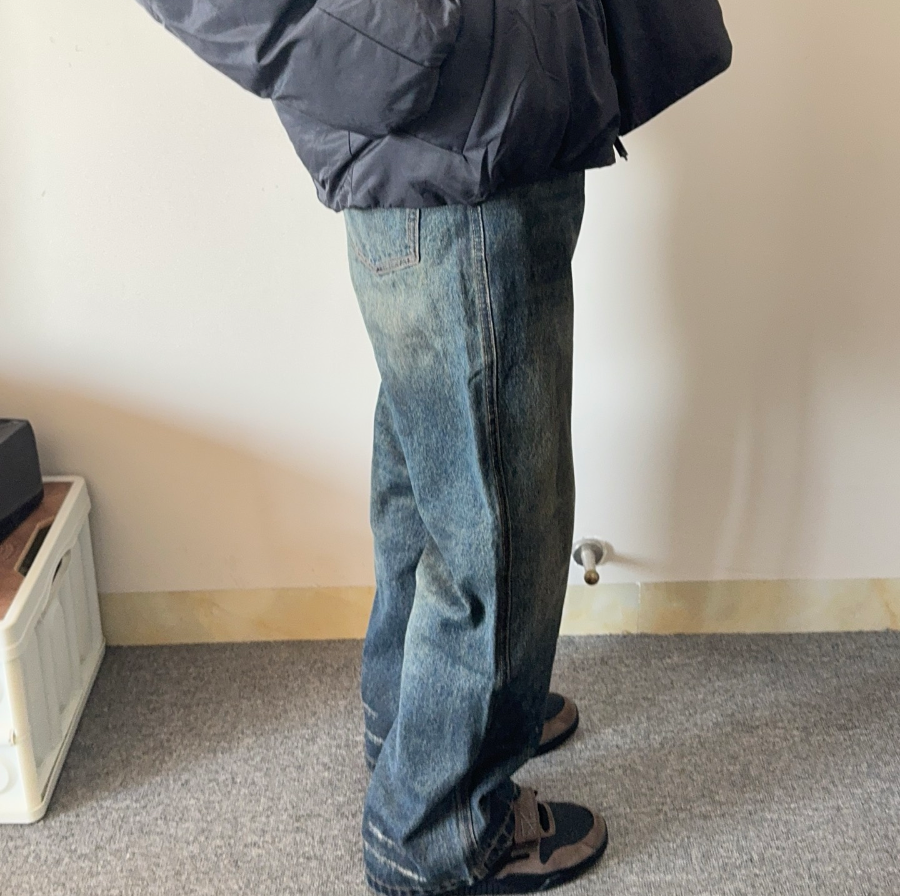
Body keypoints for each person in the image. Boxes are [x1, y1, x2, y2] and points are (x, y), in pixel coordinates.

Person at [129, 2, 732, 892]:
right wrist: (414, 49)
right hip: (458, 150)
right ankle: (439, 833)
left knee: (434, 476)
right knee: (501, 524)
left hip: (472, 135)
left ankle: (422, 721)